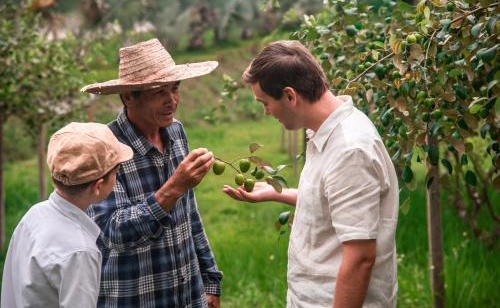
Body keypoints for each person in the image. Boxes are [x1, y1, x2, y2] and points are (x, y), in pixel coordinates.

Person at [222, 40, 399, 307]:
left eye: (265, 103)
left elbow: (360, 258)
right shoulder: (323, 133)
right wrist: (276, 193)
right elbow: (332, 205)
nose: (266, 112)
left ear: (290, 96)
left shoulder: (349, 150)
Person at [81, 38, 223, 308]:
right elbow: (113, 233)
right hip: (136, 297)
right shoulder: (106, 147)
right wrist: (174, 188)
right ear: (128, 97)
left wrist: (209, 277)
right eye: (159, 92)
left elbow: (189, 213)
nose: (172, 100)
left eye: (175, 88)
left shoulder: (176, 132)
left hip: (187, 293)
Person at [1, 122, 133, 308]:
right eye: (116, 173)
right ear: (97, 186)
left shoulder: (35, 215)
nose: (117, 178)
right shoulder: (80, 252)